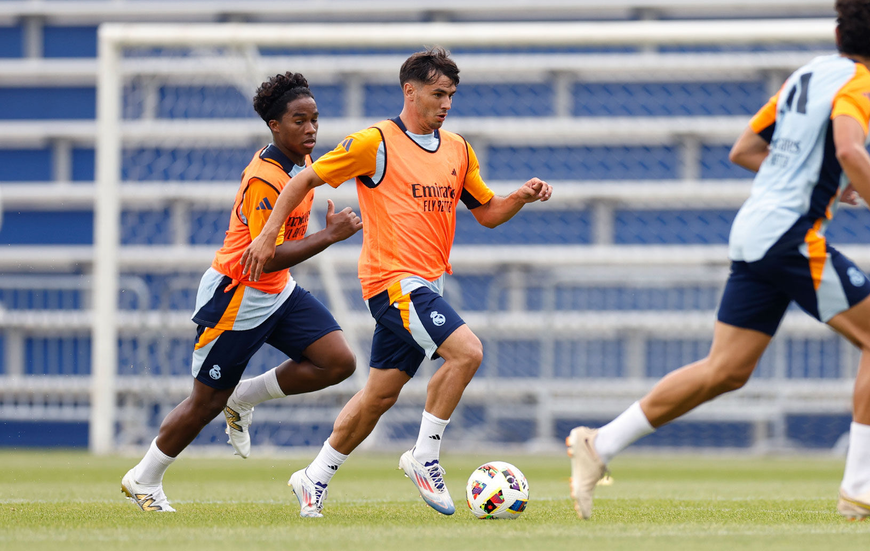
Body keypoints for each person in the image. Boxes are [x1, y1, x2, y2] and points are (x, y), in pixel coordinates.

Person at [566, 0, 870, 521]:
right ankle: (859, 485)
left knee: (727, 369)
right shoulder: (861, 83)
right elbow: (851, 148)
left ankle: (598, 444)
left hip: (754, 232)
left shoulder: (806, 75)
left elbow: (745, 150)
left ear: (836, 35)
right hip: (788, 237)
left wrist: (822, 181)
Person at [240, 47, 553, 518]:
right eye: (437, 93)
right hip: (391, 283)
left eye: (451, 95)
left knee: (379, 395)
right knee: (468, 351)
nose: (446, 103)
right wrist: (267, 235)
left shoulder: (458, 149)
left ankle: (313, 477)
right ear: (410, 91)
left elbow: (487, 213)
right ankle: (424, 456)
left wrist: (520, 198)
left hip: (427, 285)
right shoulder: (375, 142)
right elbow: (303, 181)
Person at [120, 72, 363, 512]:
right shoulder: (264, 178)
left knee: (338, 362)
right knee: (203, 403)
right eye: (298, 121)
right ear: (274, 125)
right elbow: (263, 257)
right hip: (236, 296)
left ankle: (243, 396)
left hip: (276, 292)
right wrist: (329, 237)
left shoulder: (300, 165)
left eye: (314, 120)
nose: (310, 129)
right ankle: (143, 478)